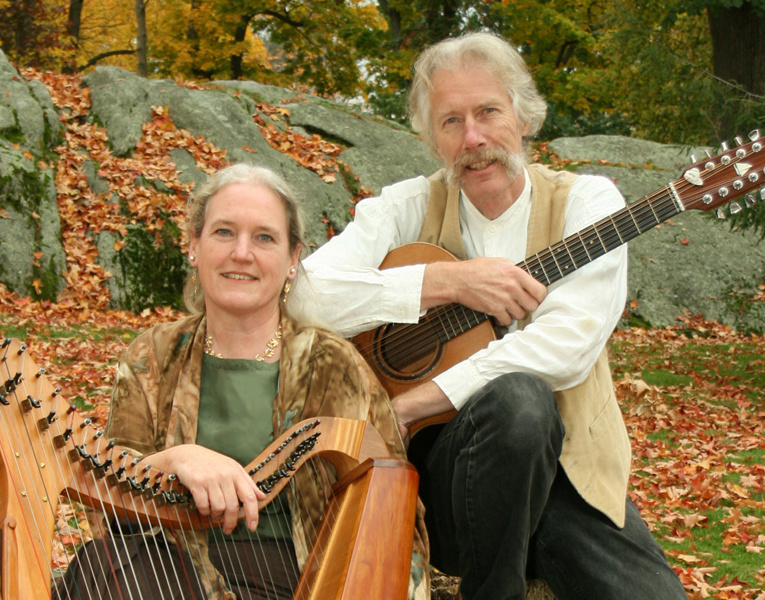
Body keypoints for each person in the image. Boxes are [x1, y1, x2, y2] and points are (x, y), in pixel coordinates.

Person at [294, 32, 688, 600]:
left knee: (523, 400)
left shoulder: (587, 204)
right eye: (450, 121)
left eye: (487, 112)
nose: (473, 138)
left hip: (565, 480)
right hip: (433, 488)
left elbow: (565, 347)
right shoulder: (408, 205)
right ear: (432, 138)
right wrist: (445, 281)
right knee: (519, 400)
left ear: (523, 118)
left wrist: (409, 405)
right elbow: (303, 294)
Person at [58, 163, 430, 600]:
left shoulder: (333, 364)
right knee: (104, 565)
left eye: (264, 237)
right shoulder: (151, 356)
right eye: (223, 232)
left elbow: (396, 518)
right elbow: (109, 500)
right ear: (194, 245)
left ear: (293, 260)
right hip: (170, 572)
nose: (241, 253)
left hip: (293, 579)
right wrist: (178, 459)